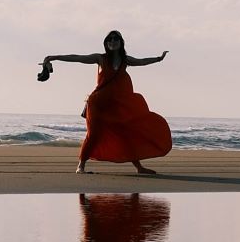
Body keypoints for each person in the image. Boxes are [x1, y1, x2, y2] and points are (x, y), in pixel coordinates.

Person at [39, 30, 172, 175]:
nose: (112, 41)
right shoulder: (100, 58)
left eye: (116, 39)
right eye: (109, 39)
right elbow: (78, 58)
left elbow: (142, 61)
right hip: (97, 104)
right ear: (106, 43)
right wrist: (55, 57)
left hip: (115, 105)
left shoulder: (125, 60)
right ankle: (81, 166)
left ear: (121, 43)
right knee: (93, 134)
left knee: (124, 133)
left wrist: (159, 58)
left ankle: (139, 167)